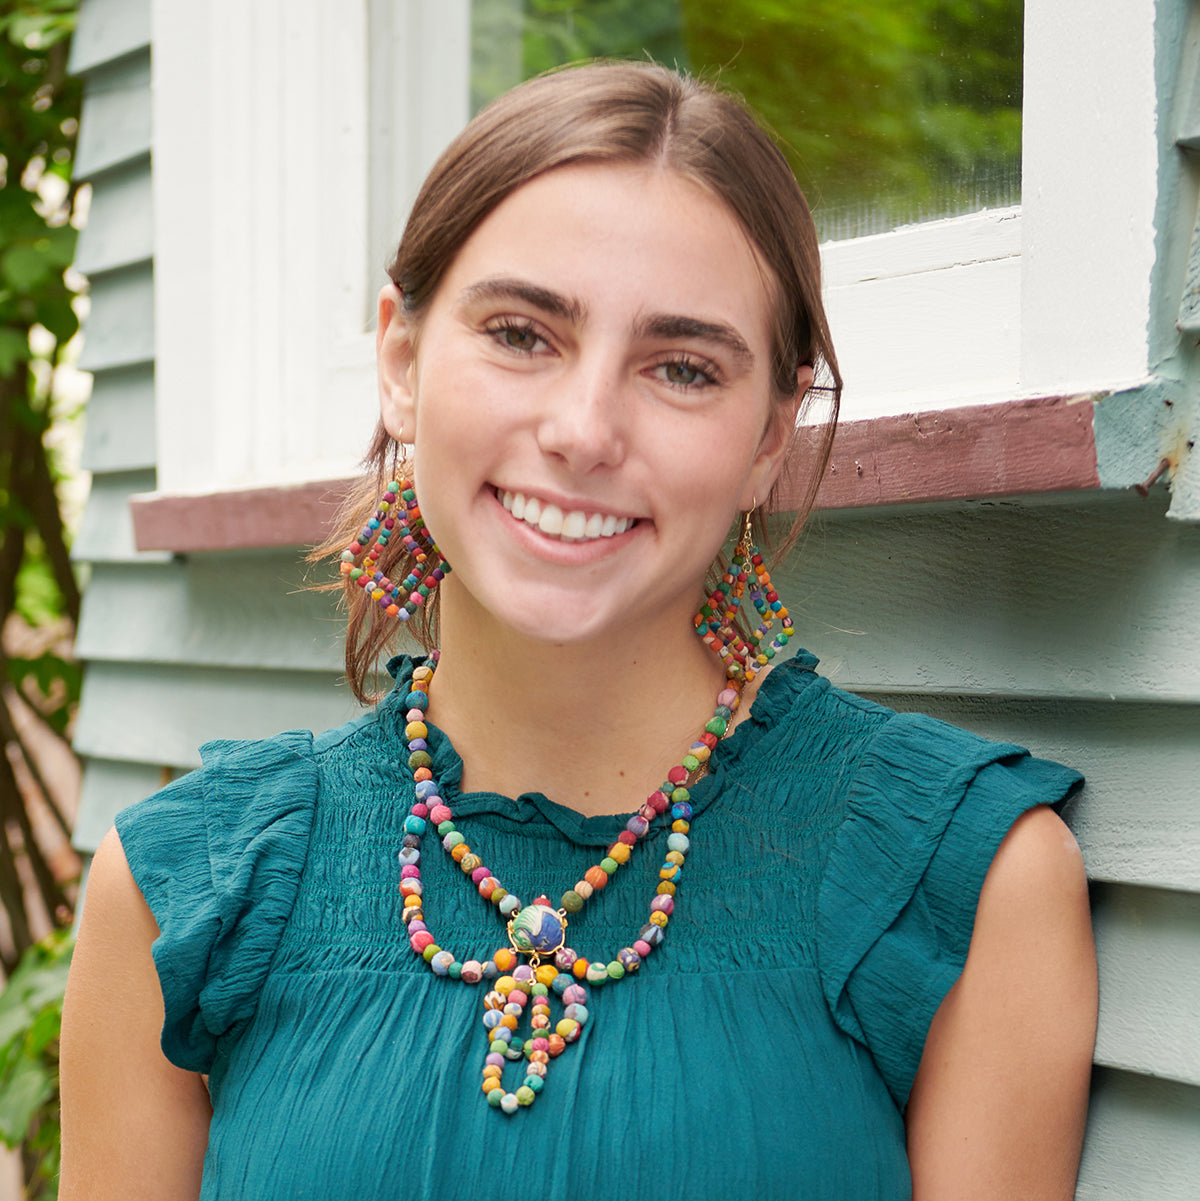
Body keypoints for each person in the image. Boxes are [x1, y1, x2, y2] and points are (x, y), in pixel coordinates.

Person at [59, 61, 1097, 1200]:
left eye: (683, 367)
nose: (585, 428)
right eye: (520, 333)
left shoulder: (959, 883)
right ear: (400, 360)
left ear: (767, 438)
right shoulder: (185, 894)